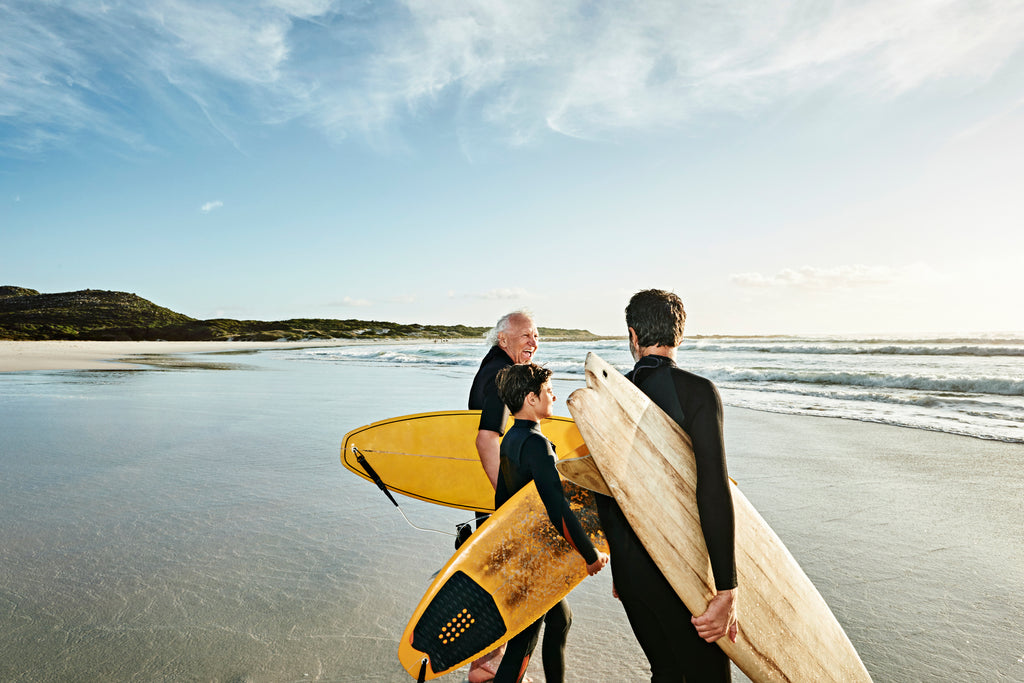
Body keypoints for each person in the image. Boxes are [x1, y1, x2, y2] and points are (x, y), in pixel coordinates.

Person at [595, 289, 738, 682]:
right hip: (680, 569)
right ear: (680, 334)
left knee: (667, 670)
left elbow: (602, 488)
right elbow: (712, 489)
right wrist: (726, 589)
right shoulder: (698, 393)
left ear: (633, 335)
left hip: (630, 568)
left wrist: (619, 569)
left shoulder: (609, 396)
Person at [492, 363, 609, 683]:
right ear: (531, 399)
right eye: (547, 392)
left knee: (561, 620)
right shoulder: (537, 445)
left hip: (524, 551)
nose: (553, 396)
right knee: (523, 643)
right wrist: (590, 554)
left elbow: (501, 502)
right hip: (535, 561)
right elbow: (557, 507)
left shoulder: (510, 440)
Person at [464, 310, 539, 683]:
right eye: (525, 335)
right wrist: (509, 500)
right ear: (503, 340)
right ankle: (488, 669)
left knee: (503, 587)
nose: (533, 342)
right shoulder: (501, 374)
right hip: (498, 500)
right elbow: (486, 437)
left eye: (536, 336)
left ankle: (486, 666)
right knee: (520, 597)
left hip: (487, 496)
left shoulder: (493, 368)